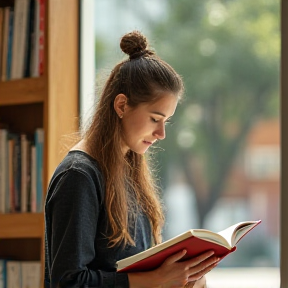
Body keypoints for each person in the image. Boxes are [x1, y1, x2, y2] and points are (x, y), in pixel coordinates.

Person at [44, 30, 219, 288]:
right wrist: (156, 278)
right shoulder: (78, 176)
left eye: (166, 121)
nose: (161, 134)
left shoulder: (128, 170)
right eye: (155, 119)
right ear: (122, 105)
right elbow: (69, 282)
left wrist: (183, 278)